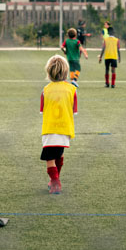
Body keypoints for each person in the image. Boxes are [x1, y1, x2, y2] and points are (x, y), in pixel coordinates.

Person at [40, 54, 78, 195]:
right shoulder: (72, 90)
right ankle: (55, 180)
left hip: (50, 129)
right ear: (66, 72)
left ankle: (56, 183)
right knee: (59, 155)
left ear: (49, 72)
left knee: (50, 159)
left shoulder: (45, 90)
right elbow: (74, 111)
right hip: (65, 129)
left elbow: (42, 111)